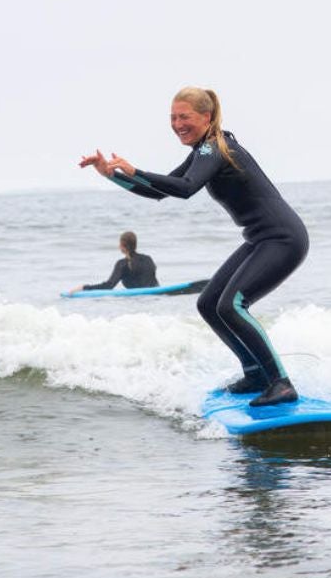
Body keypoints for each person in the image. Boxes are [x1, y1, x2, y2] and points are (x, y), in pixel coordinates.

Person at [79, 87, 307, 407]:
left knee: (232, 305)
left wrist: (134, 170)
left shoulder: (216, 147)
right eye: (172, 117)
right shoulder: (204, 150)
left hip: (283, 238)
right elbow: (159, 191)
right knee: (209, 303)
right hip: (261, 238)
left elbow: (185, 189)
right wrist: (113, 175)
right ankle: (256, 374)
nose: (177, 124)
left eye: (184, 117)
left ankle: (281, 383)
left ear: (206, 117)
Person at [75, 231, 158, 293]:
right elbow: (153, 283)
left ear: (123, 246)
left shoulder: (122, 264)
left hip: (138, 299)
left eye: (119, 244)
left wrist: (84, 288)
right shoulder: (148, 259)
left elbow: (108, 286)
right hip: (155, 296)